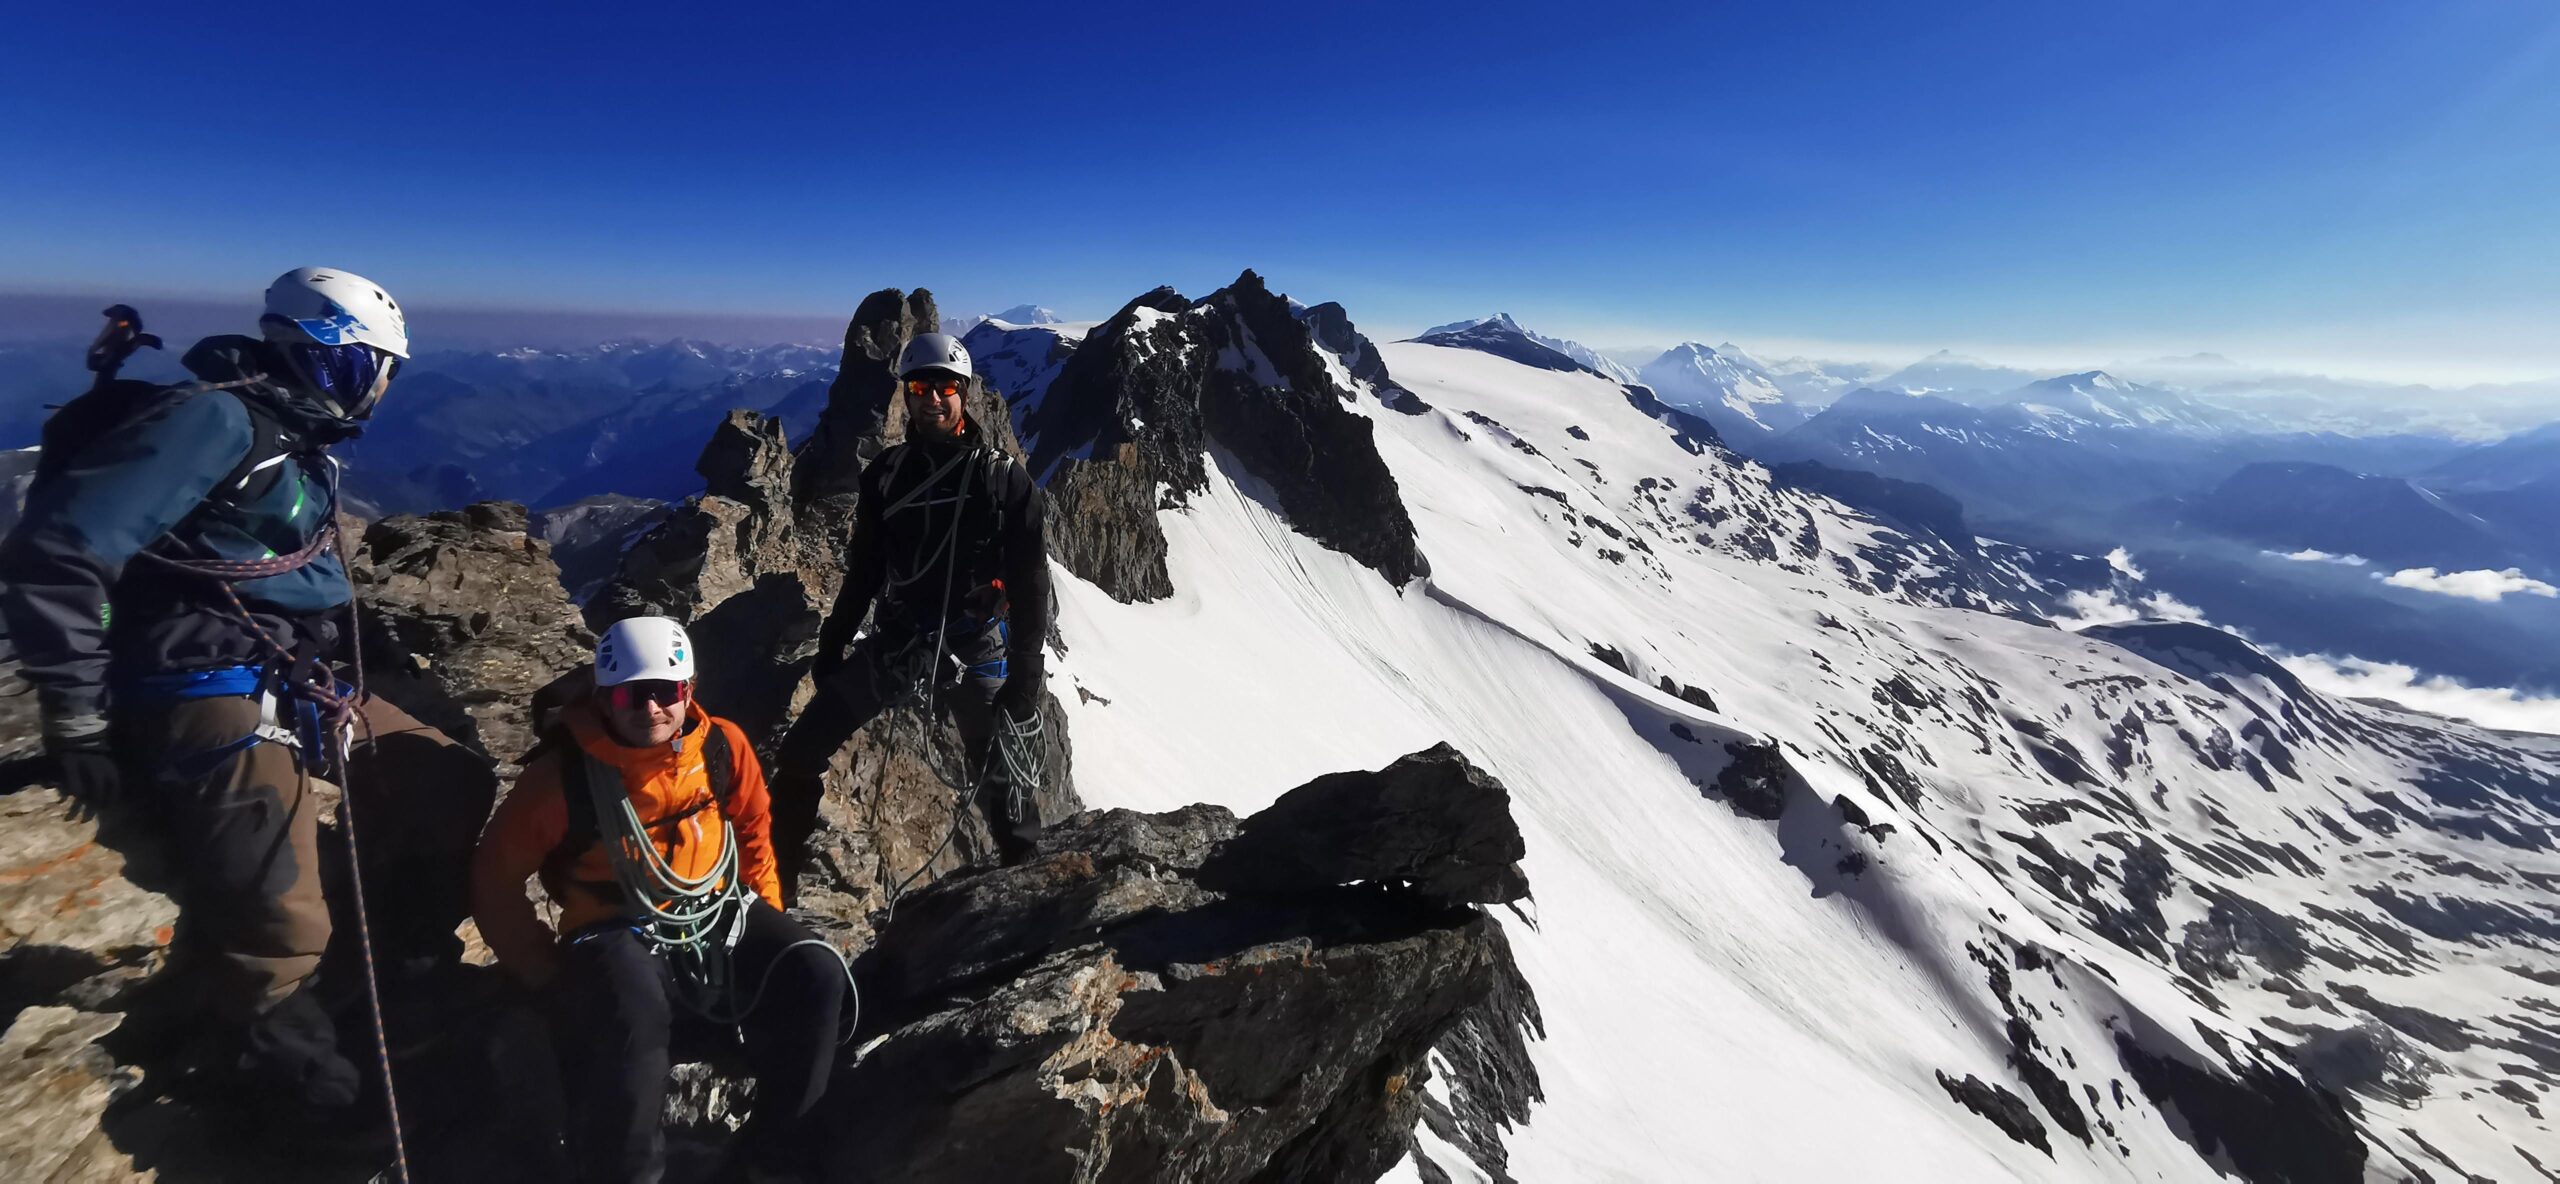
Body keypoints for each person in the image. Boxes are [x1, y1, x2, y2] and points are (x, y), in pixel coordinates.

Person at [0, 268, 494, 1122]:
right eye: (378, 366)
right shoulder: (214, 420)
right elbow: (61, 551)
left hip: (285, 666)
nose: (382, 386)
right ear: (336, 357)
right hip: (200, 680)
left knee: (450, 779)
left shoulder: (289, 433)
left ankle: (398, 975)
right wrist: (76, 714)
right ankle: (285, 1093)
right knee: (283, 920)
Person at [471, 616, 849, 1182]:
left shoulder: (720, 746)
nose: (650, 708)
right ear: (604, 698)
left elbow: (752, 825)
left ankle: (771, 1155)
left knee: (817, 972)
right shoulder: (562, 779)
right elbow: (494, 880)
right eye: (630, 693)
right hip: (612, 925)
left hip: (717, 910)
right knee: (635, 1022)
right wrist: (548, 978)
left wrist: (766, 908)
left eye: (664, 691)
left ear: (687, 691)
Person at [770, 331, 1053, 886]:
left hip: (973, 646)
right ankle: (773, 879)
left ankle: (1027, 888)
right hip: (901, 642)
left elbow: (1030, 581)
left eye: (947, 387)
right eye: (922, 386)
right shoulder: (886, 476)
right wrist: (834, 642)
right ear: (907, 394)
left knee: (1002, 777)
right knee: (802, 750)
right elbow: (867, 569)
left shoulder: (1003, 480)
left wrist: (1026, 673)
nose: (934, 397)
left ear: (964, 394)